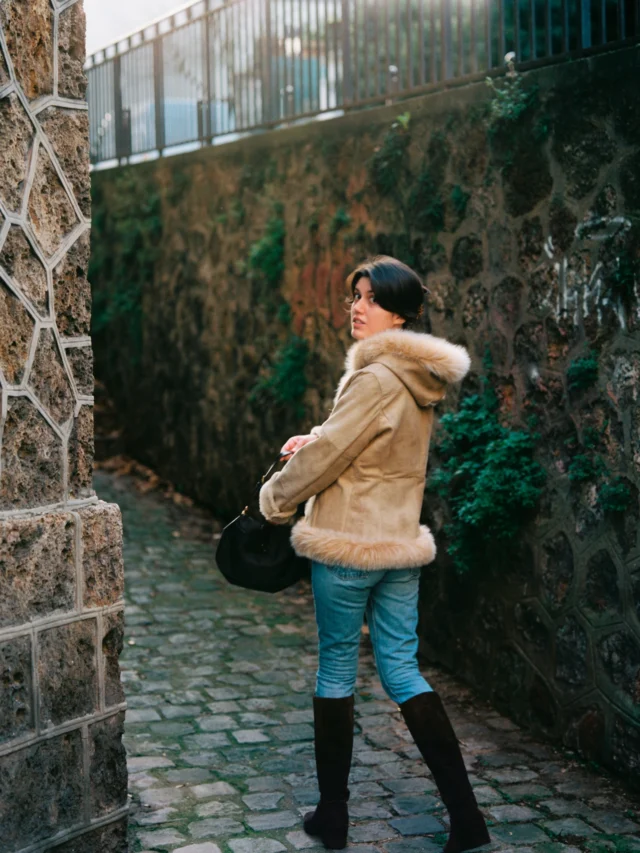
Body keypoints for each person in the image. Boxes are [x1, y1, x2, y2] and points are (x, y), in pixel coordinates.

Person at [259, 256, 489, 853]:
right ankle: (468, 819)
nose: (357, 307)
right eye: (354, 297)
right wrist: (317, 435)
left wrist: (273, 501)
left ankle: (332, 817)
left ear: (402, 312)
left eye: (371, 299)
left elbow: (328, 459)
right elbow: (372, 447)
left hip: (347, 545)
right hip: (397, 545)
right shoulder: (417, 379)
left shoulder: (374, 377)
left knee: (336, 668)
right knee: (403, 670)